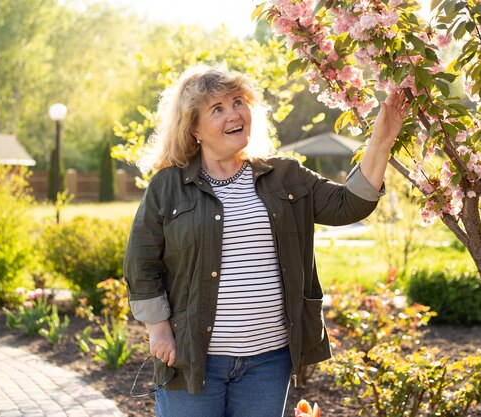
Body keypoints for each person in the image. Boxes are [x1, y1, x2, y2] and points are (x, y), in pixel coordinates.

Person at [123, 64, 407, 417]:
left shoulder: (285, 176)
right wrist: (158, 328)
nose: (234, 113)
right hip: (192, 359)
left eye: (238, 101)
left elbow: (347, 205)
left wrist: (382, 139)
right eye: (218, 109)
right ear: (194, 128)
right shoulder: (168, 187)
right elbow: (141, 262)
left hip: (268, 364)